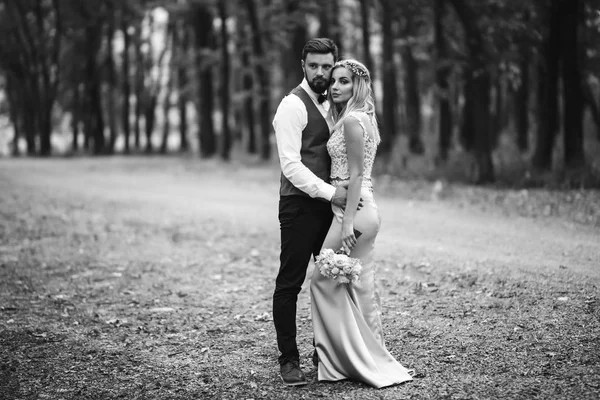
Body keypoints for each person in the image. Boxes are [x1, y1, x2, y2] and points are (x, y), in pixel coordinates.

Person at [310, 59, 415, 388]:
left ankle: (345, 357)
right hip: (362, 207)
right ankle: (363, 355)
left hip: (355, 211)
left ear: (358, 86)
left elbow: (355, 174)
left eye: (344, 81)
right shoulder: (359, 117)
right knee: (358, 287)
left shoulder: (354, 121)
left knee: (320, 280)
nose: (335, 86)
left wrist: (346, 224)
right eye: (334, 82)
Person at [272, 38, 350, 386]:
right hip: (300, 206)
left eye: (326, 66)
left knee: (332, 279)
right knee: (291, 282)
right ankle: (289, 360)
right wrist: (333, 193)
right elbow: (290, 165)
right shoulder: (292, 106)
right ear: (303, 64)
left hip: (329, 208)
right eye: (314, 65)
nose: (320, 72)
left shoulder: (336, 103)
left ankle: (328, 355)